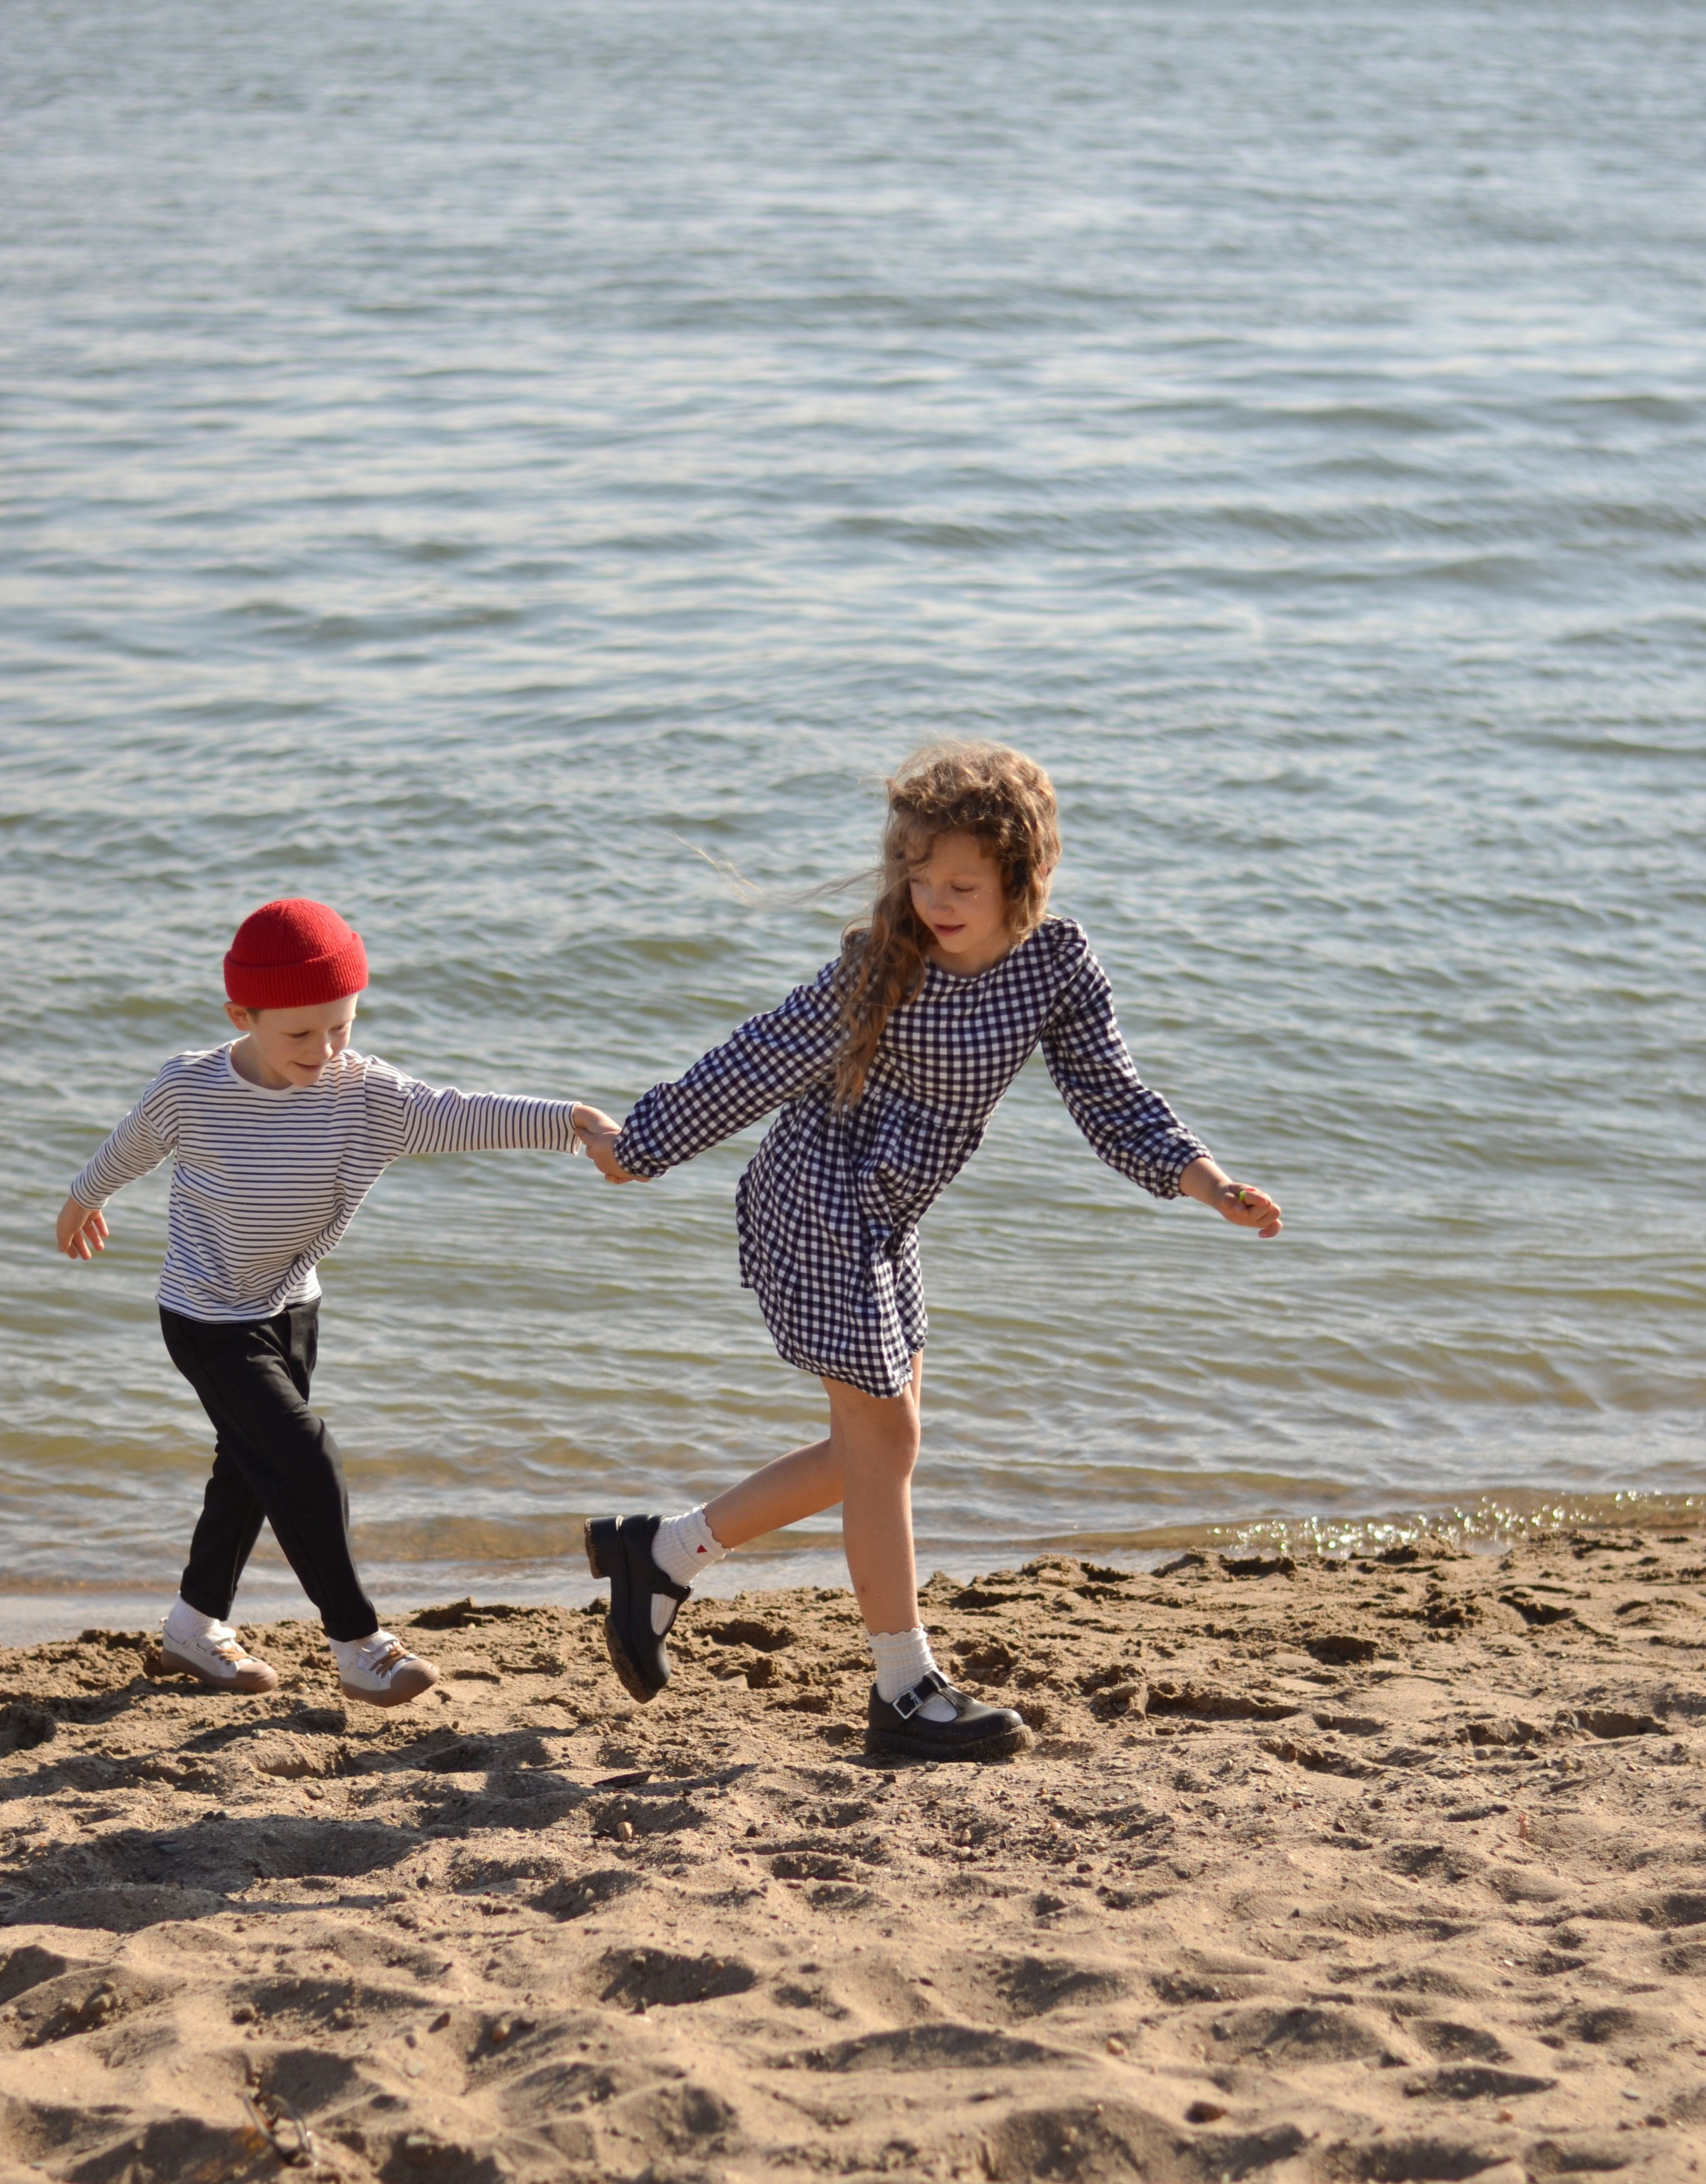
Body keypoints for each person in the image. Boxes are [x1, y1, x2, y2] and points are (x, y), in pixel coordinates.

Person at [578, 742, 1281, 1762]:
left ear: (1021, 881)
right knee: (886, 1447)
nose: (936, 902)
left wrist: (1205, 1180)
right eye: (919, 877)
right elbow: (761, 1055)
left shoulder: (1056, 966)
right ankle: (904, 1690)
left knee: (877, 1449)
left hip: (889, 1215)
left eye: (963, 885)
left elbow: (1111, 1096)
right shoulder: (881, 965)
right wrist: (642, 1147)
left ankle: (663, 1551)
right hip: (815, 1202)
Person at [56, 897, 615, 1709]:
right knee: (304, 1456)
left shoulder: (366, 1095)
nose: (325, 1050)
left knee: (249, 1472)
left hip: (291, 1310)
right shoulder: (191, 1088)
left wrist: (571, 1121)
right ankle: (359, 1645)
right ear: (241, 1016)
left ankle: (192, 1629)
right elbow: (129, 1145)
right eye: (300, 1034)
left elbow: (460, 1114)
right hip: (208, 1319)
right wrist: (82, 1198)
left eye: (341, 1027)